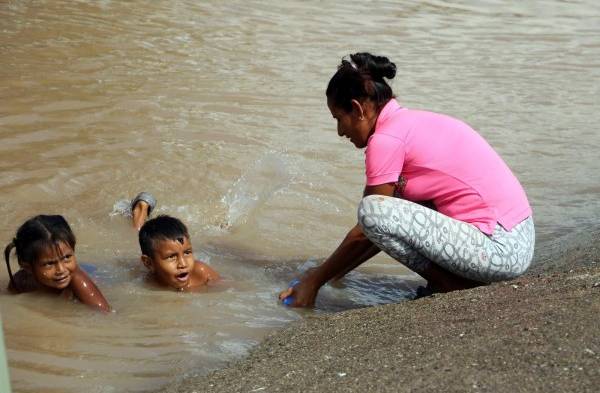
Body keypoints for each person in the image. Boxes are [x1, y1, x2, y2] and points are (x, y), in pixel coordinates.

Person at [279, 52, 534, 307]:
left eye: (338, 119)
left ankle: (452, 286)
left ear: (357, 109)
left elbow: (372, 225)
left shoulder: (386, 140)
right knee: (396, 207)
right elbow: (388, 227)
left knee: (372, 211)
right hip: (518, 239)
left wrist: (314, 282)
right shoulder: (412, 123)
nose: (340, 131)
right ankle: (455, 280)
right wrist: (333, 274)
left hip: (500, 250)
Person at [4, 215, 111, 312]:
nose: (61, 270)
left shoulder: (76, 281)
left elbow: (105, 313)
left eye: (67, 257)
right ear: (27, 267)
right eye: (49, 264)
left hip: (99, 273)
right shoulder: (20, 282)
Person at [138, 215, 220, 291]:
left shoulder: (202, 274)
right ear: (149, 263)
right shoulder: (147, 286)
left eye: (187, 253)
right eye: (171, 257)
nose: (183, 264)